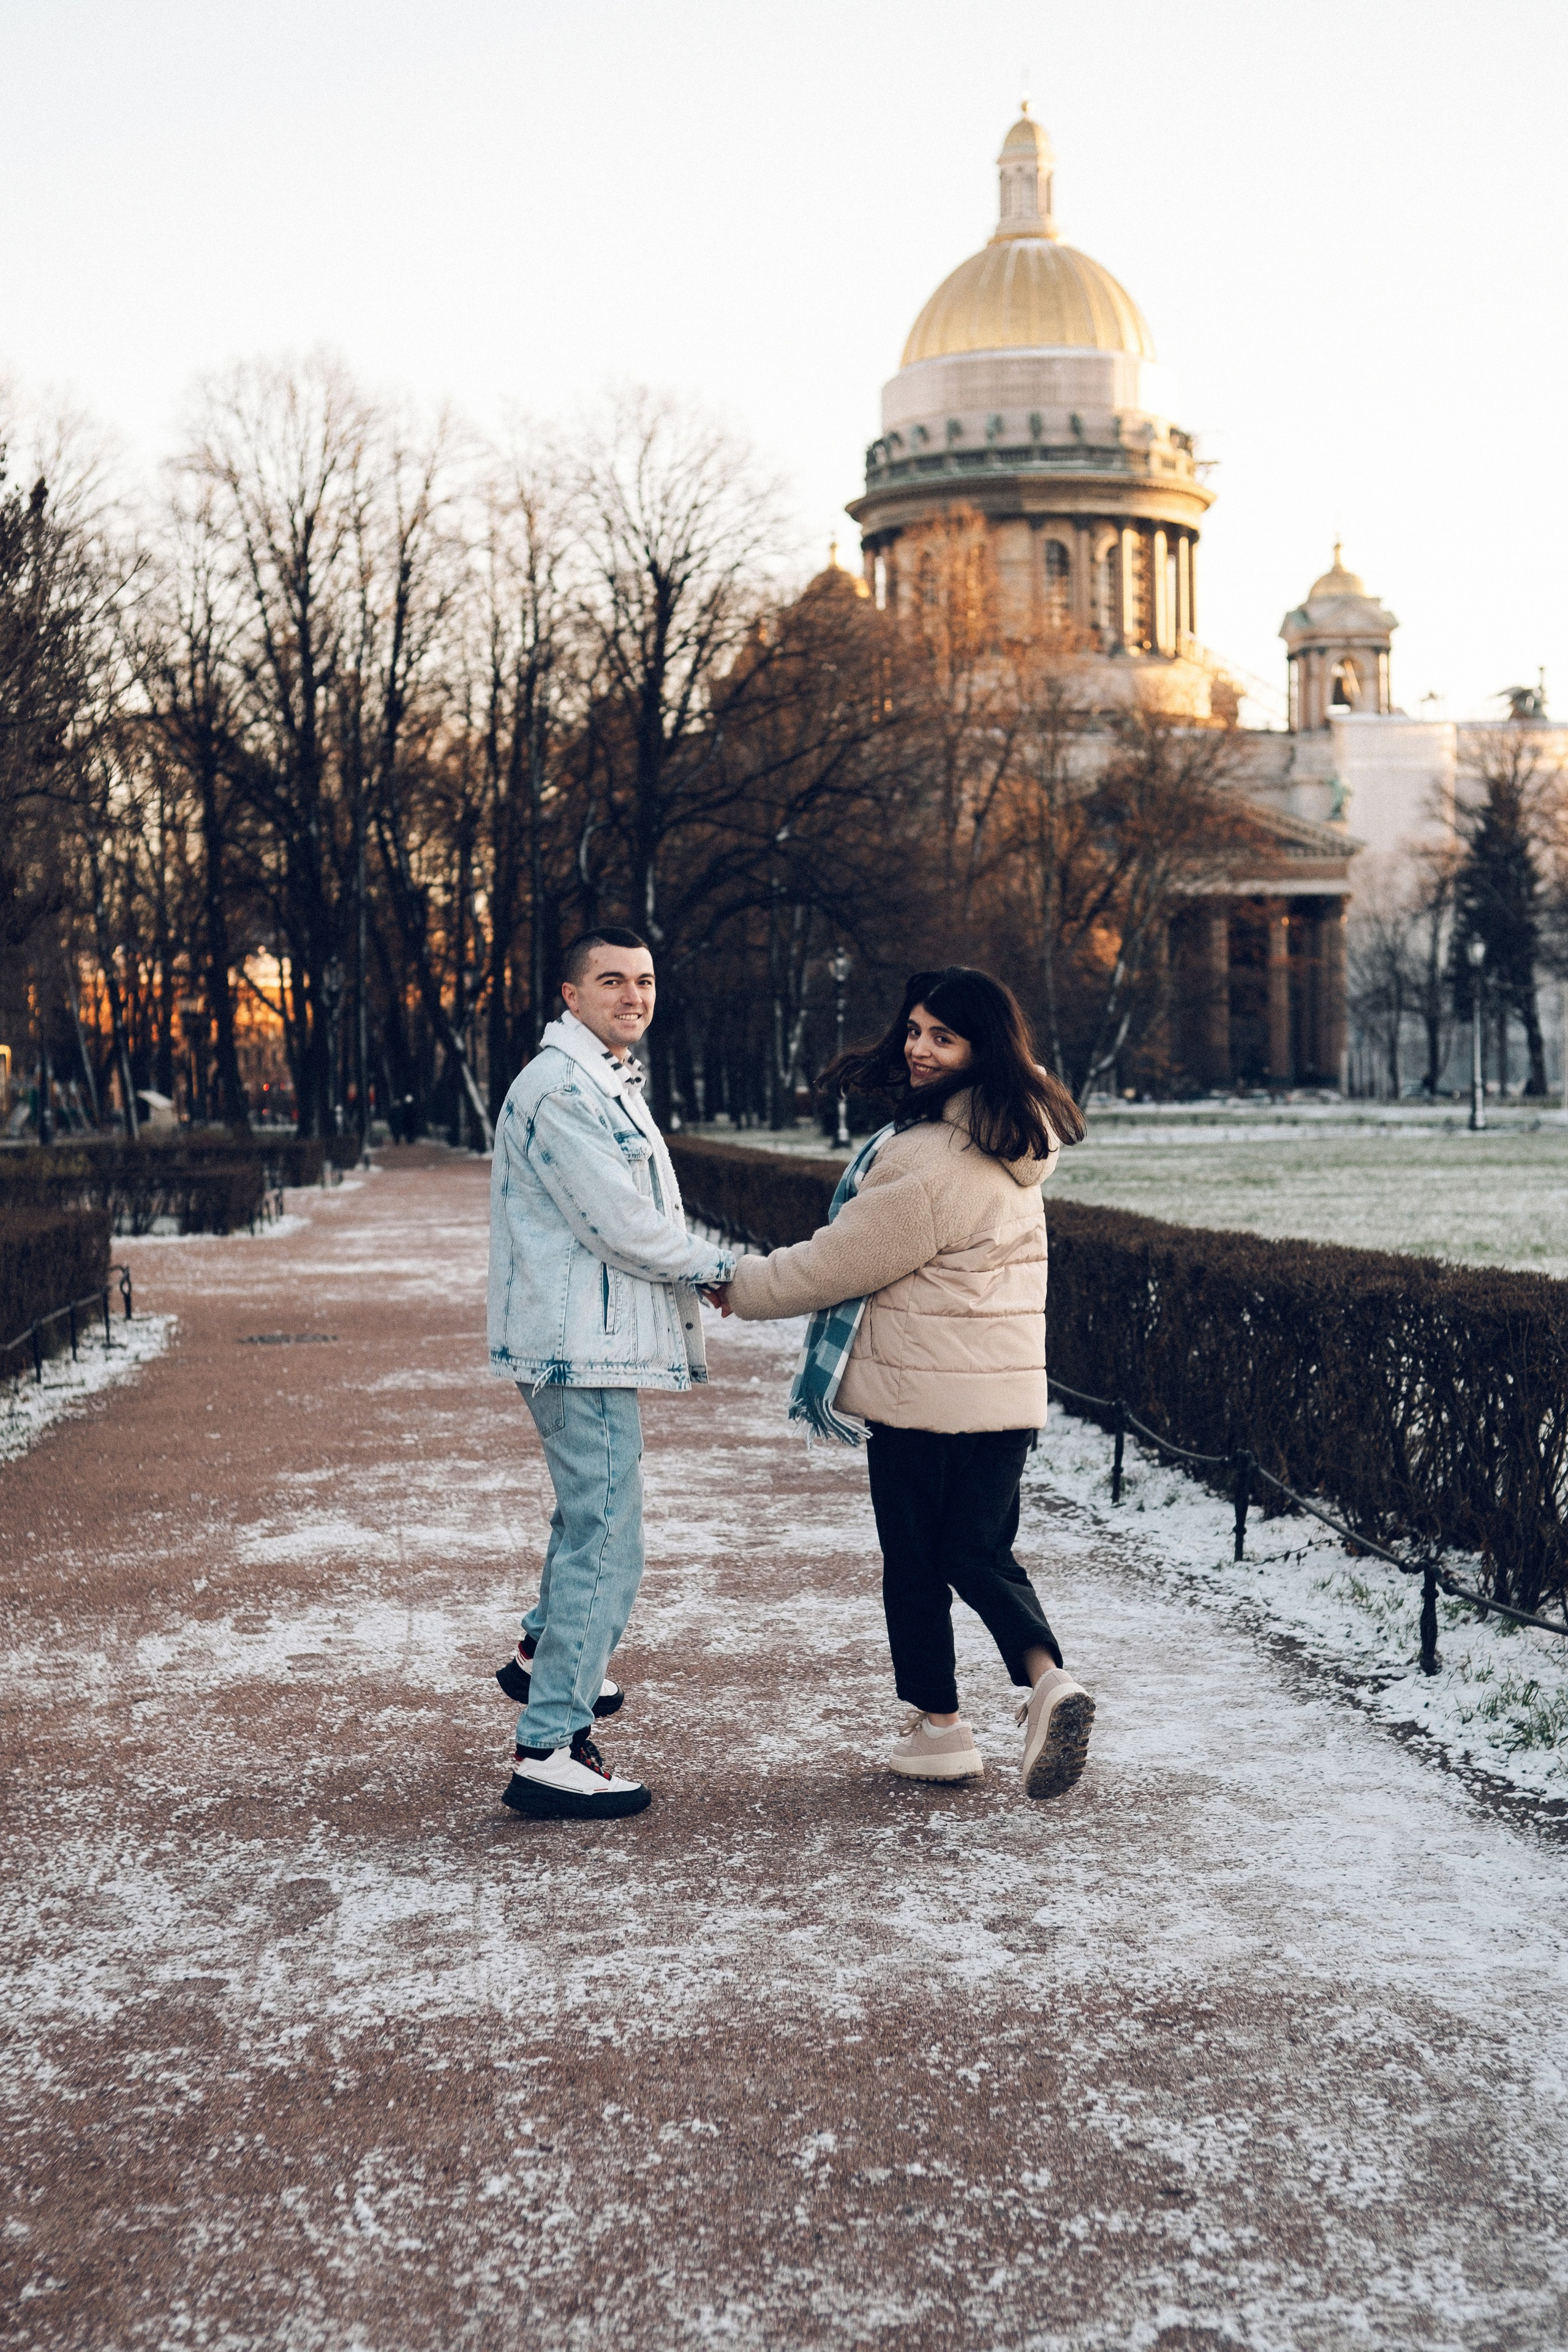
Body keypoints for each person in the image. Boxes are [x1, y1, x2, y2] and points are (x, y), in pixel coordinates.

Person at [717, 967, 1095, 1799]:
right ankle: (1047, 1682)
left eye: (943, 1037)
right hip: (1003, 1399)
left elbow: (835, 1262)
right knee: (980, 1550)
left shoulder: (933, 1158)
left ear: (981, 1049)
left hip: (920, 1399)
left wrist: (735, 1286)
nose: (921, 1049)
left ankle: (941, 1728)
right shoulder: (1013, 1137)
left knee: (918, 1565)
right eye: (916, 1030)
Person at [487, 926, 735, 1821]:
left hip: (581, 1340)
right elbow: (618, 1223)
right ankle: (549, 1745)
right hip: (574, 1346)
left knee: (587, 1517)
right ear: (571, 994)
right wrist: (716, 1268)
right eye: (612, 981)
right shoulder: (562, 1089)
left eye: (645, 981)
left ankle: (541, 1657)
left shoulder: (601, 1078)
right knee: (608, 1537)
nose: (634, 996)